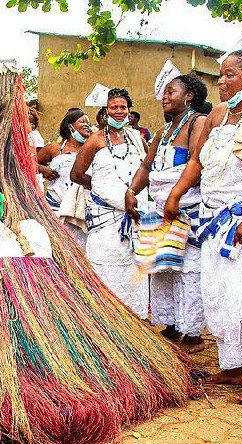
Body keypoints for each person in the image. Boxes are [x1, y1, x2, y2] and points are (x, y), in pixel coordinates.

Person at [165, 49, 242, 404]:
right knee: (219, 295)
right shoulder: (218, 114)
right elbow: (196, 162)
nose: (220, 81)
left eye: (229, 75)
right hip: (213, 219)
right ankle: (235, 366)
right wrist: (175, 194)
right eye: (220, 75)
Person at [125, 74, 211, 353]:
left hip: (185, 208)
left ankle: (193, 333)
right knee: (162, 267)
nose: (164, 96)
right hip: (162, 208)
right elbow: (147, 167)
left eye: (170, 91)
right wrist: (132, 191)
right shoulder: (163, 131)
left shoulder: (198, 123)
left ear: (189, 96)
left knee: (188, 270)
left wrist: (175, 196)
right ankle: (171, 324)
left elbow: (196, 164)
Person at [71, 88, 150, 318]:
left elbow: (146, 168)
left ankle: (135, 322)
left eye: (122, 107)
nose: (118, 111)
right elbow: (76, 174)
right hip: (105, 220)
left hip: (133, 218)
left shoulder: (137, 138)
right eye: (113, 107)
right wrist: (103, 190)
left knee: (133, 270)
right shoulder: (95, 140)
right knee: (105, 268)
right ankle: (107, 321)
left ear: (129, 111)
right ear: (106, 111)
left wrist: (132, 195)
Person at [38, 108, 92, 247]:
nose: (87, 125)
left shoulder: (92, 149)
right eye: (82, 121)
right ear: (70, 127)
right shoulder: (54, 149)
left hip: (80, 210)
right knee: (57, 246)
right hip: (55, 207)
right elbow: (28, 162)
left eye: (89, 122)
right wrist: (42, 169)